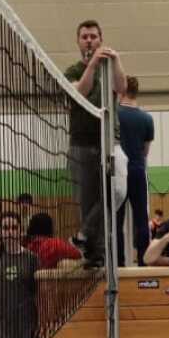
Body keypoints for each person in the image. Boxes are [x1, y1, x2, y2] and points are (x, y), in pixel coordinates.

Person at [64, 19, 127, 268]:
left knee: (116, 191)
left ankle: (84, 234)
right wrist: (92, 65)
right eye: (85, 37)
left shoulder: (109, 67)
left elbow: (121, 88)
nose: (89, 41)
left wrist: (116, 59)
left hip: (109, 141)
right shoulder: (72, 70)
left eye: (93, 37)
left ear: (101, 39)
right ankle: (95, 256)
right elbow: (79, 93)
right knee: (88, 201)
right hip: (82, 143)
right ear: (78, 42)